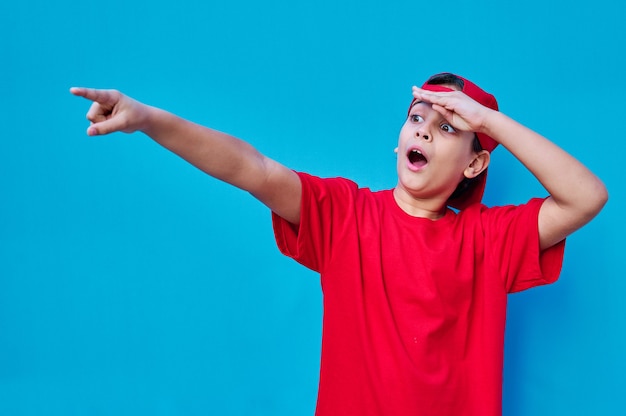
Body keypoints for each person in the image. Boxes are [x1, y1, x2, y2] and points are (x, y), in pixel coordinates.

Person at [70, 73, 608, 416]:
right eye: (417, 118)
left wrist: (487, 119)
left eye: (448, 128)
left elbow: (585, 198)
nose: (421, 131)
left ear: (474, 163)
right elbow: (249, 167)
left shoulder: (488, 239)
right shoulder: (345, 215)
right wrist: (147, 119)